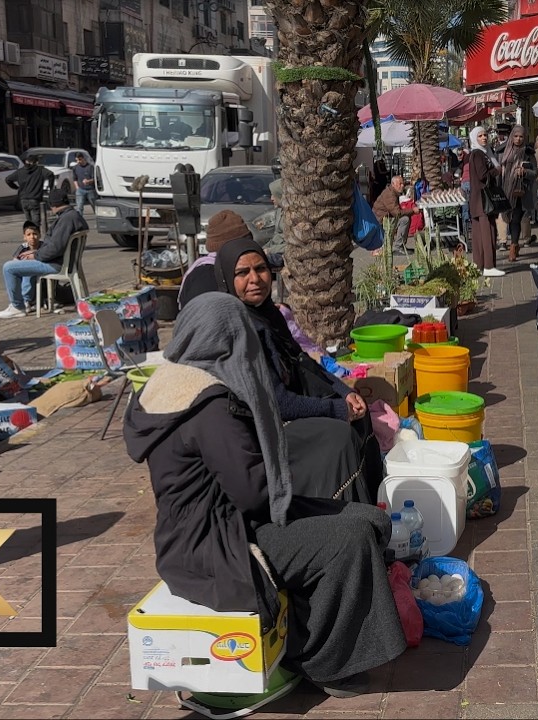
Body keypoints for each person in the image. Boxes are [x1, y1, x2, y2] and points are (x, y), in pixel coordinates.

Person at [124, 293, 406, 702]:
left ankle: (320, 631)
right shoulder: (207, 404)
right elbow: (254, 492)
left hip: (212, 529)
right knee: (350, 538)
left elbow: (248, 488)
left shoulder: (170, 382)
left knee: (370, 519)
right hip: (218, 546)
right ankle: (319, 660)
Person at [201, 236, 386, 504]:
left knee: (361, 413)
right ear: (227, 280)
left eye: (260, 269)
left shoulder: (268, 314)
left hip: (286, 410)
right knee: (340, 435)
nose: (255, 279)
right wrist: (336, 410)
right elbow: (276, 402)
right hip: (262, 431)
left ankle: (371, 507)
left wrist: (343, 392)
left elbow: (302, 360)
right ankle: (338, 516)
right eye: (242, 273)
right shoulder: (239, 331)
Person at [0, 186, 88, 319]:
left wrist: (36, 255)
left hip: (56, 264)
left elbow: (55, 248)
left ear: (53, 205)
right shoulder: (73, 216)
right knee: (21, 262)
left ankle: (17, 306)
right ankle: (26, 300)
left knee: (9, 268)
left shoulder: (66, 219)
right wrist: (36, 252)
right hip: (64, 262)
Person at [496, 125, 538, 262]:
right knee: (507, 217)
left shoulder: (528, 153)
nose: (518, 139)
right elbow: (497, 171)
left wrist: (525, 172)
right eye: (516, 136)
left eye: (521, 136)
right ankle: (513, 244)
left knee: (515, 218)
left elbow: (535, 173)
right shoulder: (502, 151)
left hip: (520, 192)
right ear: (511, 137)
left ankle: (513, 246)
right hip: (505, 190)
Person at [466, 127, 503, 278]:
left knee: (480, 234)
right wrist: (497, 170)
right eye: (480, 136)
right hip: (483, 200)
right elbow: (482, 175)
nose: (483, 138)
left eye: (485, 135)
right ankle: (488, 265)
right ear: (475, 138)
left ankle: (480, 265)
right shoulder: (478, 154)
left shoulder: (482, 153)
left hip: (479, 200)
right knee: (487, 232)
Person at [371, 175, 416, 256]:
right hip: (380, 221)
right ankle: (398, 247)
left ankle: (399, 245)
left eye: (403, 183)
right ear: (393, 184)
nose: (402, 185)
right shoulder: (389, 195)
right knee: (405, 219)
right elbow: (397, 213)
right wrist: (412, 210)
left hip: (384, 218)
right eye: (400, 183)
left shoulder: (393, 192)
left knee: (404, 218)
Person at [5, 155, 56, 224]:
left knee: (28, 221)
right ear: (36, 162)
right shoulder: (40, 170)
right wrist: (50, 187)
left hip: (23, 199)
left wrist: (16, 187)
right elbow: (50, 174)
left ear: (26, 161)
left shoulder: (20, 171)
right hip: (35, 198)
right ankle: (35, 232)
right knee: (36, 221)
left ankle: (30, 231)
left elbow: (8, 179)